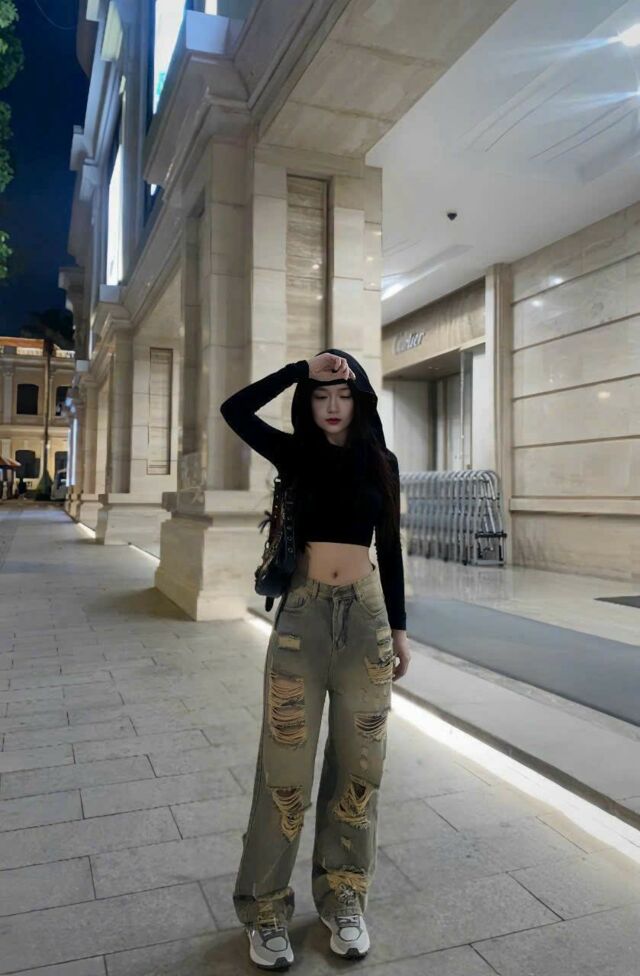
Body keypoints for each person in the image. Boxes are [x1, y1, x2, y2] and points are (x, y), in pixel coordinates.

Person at [220, 349, 411, 970]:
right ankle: (265, 907)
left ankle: (344, 895)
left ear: (360, 401)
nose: (332, 406)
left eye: (343, 395)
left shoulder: (383, 463)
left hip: (366, 619)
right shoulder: (294, 452)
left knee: (361, 766)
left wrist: (400, 630)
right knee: (285, 769)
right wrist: (301, 369)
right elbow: (234, 409)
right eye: (321, 395)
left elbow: (392, 549)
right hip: (302, 618)